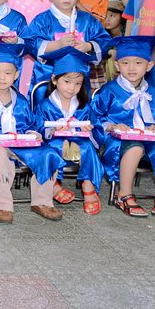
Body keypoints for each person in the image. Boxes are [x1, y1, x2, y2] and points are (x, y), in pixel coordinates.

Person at [0, 43, 66, 222]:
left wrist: (34, 133)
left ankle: (42, 201)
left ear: (16, 75)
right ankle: (2, 205)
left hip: (20, 143)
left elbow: (30, 124)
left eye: (8, 73)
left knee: (47, 153)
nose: (2, 77)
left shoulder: (22, 101)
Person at [92, 36, 155, 218]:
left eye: (138, 63)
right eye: (125, 62)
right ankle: (124, 194)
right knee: (135, 147)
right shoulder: (109, 91)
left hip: (148, 139)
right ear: (117, 65)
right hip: (117, 142)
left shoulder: (154, 92)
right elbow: (94, 116)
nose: (131, 68)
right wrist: (112, 126)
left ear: (149, 66)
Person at [36, 48, 105, 215]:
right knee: (54, 145)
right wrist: (52, 130)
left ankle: (88, 186)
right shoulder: (45, 105)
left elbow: (97, 129)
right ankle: (54, 184)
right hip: (54, 144)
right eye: (67, 81)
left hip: (79, 144)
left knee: (88, 147)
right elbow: (37, 128)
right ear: (54, 79)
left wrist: (89, 129)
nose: (72, 88)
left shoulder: (84, 106)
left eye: (78, 83)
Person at [23, 0, 111, 88]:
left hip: (79, 81)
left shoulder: (88, 20)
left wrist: (88, 46)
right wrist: (57, 45)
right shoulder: (42, 20)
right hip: (47, 78)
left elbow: (105, 41)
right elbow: (30, 43)